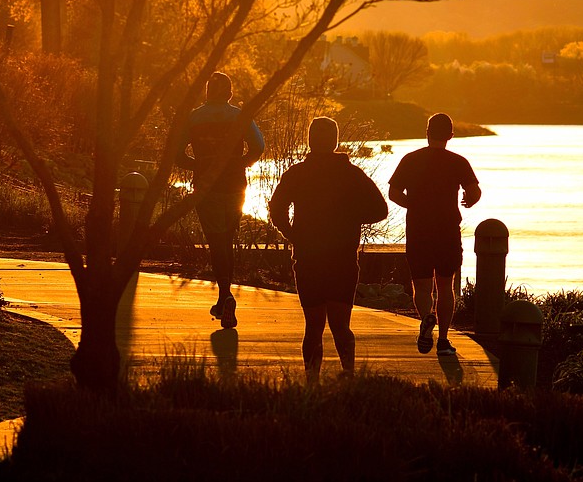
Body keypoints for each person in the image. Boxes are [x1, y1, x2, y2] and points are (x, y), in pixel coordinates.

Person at [269, 117, 388, 383]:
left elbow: (276, 209)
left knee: (313, 327)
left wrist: (293, 234)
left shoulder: (297, 173)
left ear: (310, 141)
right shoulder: (352, 174)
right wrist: (351, 218)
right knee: (340, 327)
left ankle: (311, 383)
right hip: (343, 260)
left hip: (308, 258)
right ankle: (349, 378)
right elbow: (380, 210)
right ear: (335, 142)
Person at [388, 113, 481, 356]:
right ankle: (443, 339)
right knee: (445, 284)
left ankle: (427, 319)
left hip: (418, 229)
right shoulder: (458, 162)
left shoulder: (410, 159)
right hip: (447, 229)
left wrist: (414, 205)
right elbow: (474, 190)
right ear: (451, 135)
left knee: (421, 286)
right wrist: (468, 201)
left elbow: (393, 192)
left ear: (427, 132)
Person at [177, 72, 265, 329]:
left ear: (207, 92)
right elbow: (258, 147)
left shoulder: (194, 117)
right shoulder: (240, 116)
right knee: (227, 238)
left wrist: (199, 166)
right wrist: (240, 163)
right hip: (236, 185)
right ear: (229, 93)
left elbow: (177, 154)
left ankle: (225, 294)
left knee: (217, 242)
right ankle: (224, 296)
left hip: (208, 188)